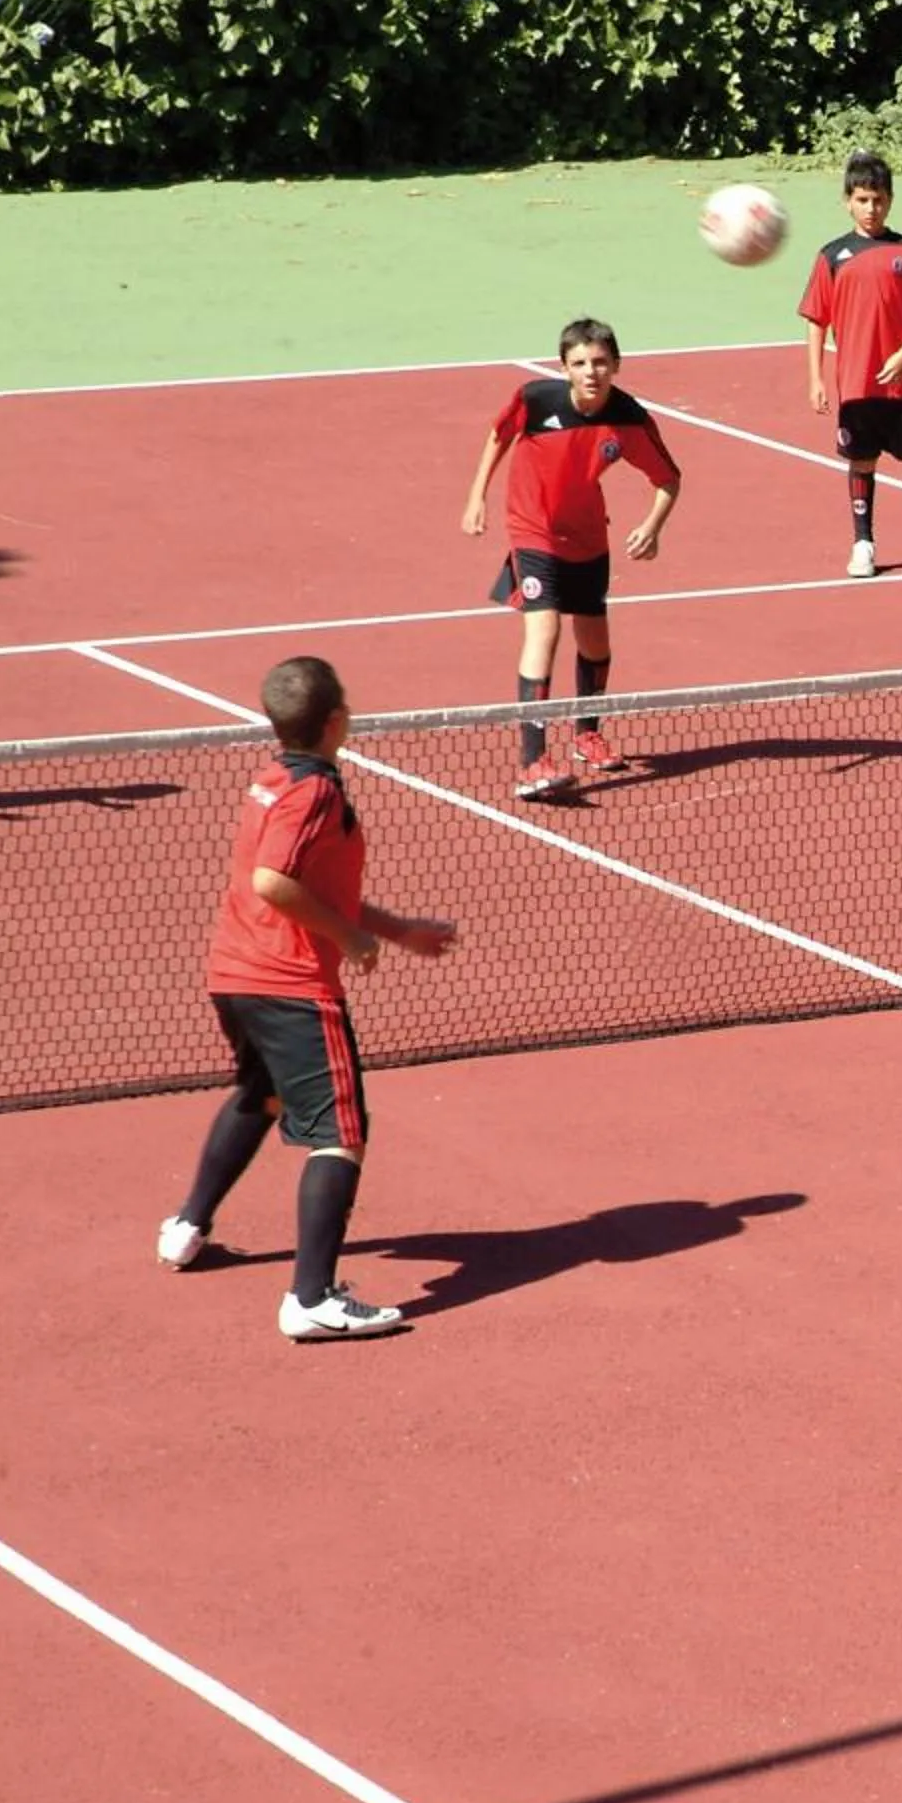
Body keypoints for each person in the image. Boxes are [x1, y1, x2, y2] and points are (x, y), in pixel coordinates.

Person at [155, 657, 457, 1340]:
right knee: (342, 1135)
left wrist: (396, 930)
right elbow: (274, 881)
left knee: (260, 1097)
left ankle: (186, 1228)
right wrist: (351, 940)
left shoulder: (274, 778)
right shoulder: (314, 793)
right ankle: (312, 1298)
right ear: (335, 721)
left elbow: (310, 883)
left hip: (235, 976)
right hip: (289, 986)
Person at [459, 317, 683, 800]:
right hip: (533, 532)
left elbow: (668, 480)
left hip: (588, 541)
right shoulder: (537, 401)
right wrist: (476, 496)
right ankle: (531, 759)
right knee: (546, 631)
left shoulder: (628, 419)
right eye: (580, 363)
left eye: (601, 362)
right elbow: (498, 437)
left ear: (616, 366)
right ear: (564, 367)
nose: (591, 372)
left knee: (596, 644)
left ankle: (586, 734)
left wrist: (651, 526)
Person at [801, 151, 902, 582]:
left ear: (890, 201)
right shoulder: (832, 256)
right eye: (863, 200)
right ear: (848, 201)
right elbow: (817, 320)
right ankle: (863, 544)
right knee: (861, 462)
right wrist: (815, 378)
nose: (872, 209)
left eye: (879, 200)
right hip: (855, 385)